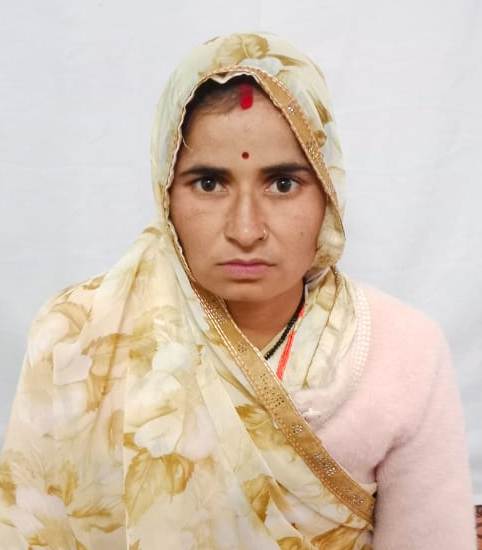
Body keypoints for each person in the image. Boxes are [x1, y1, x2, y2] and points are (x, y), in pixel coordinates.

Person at [0, 32, 477, 550]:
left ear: (328, 191)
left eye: (283, 183)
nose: (246, 229)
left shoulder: (404, 351)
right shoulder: (78, 339)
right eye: (209, 183)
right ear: (165, 192)